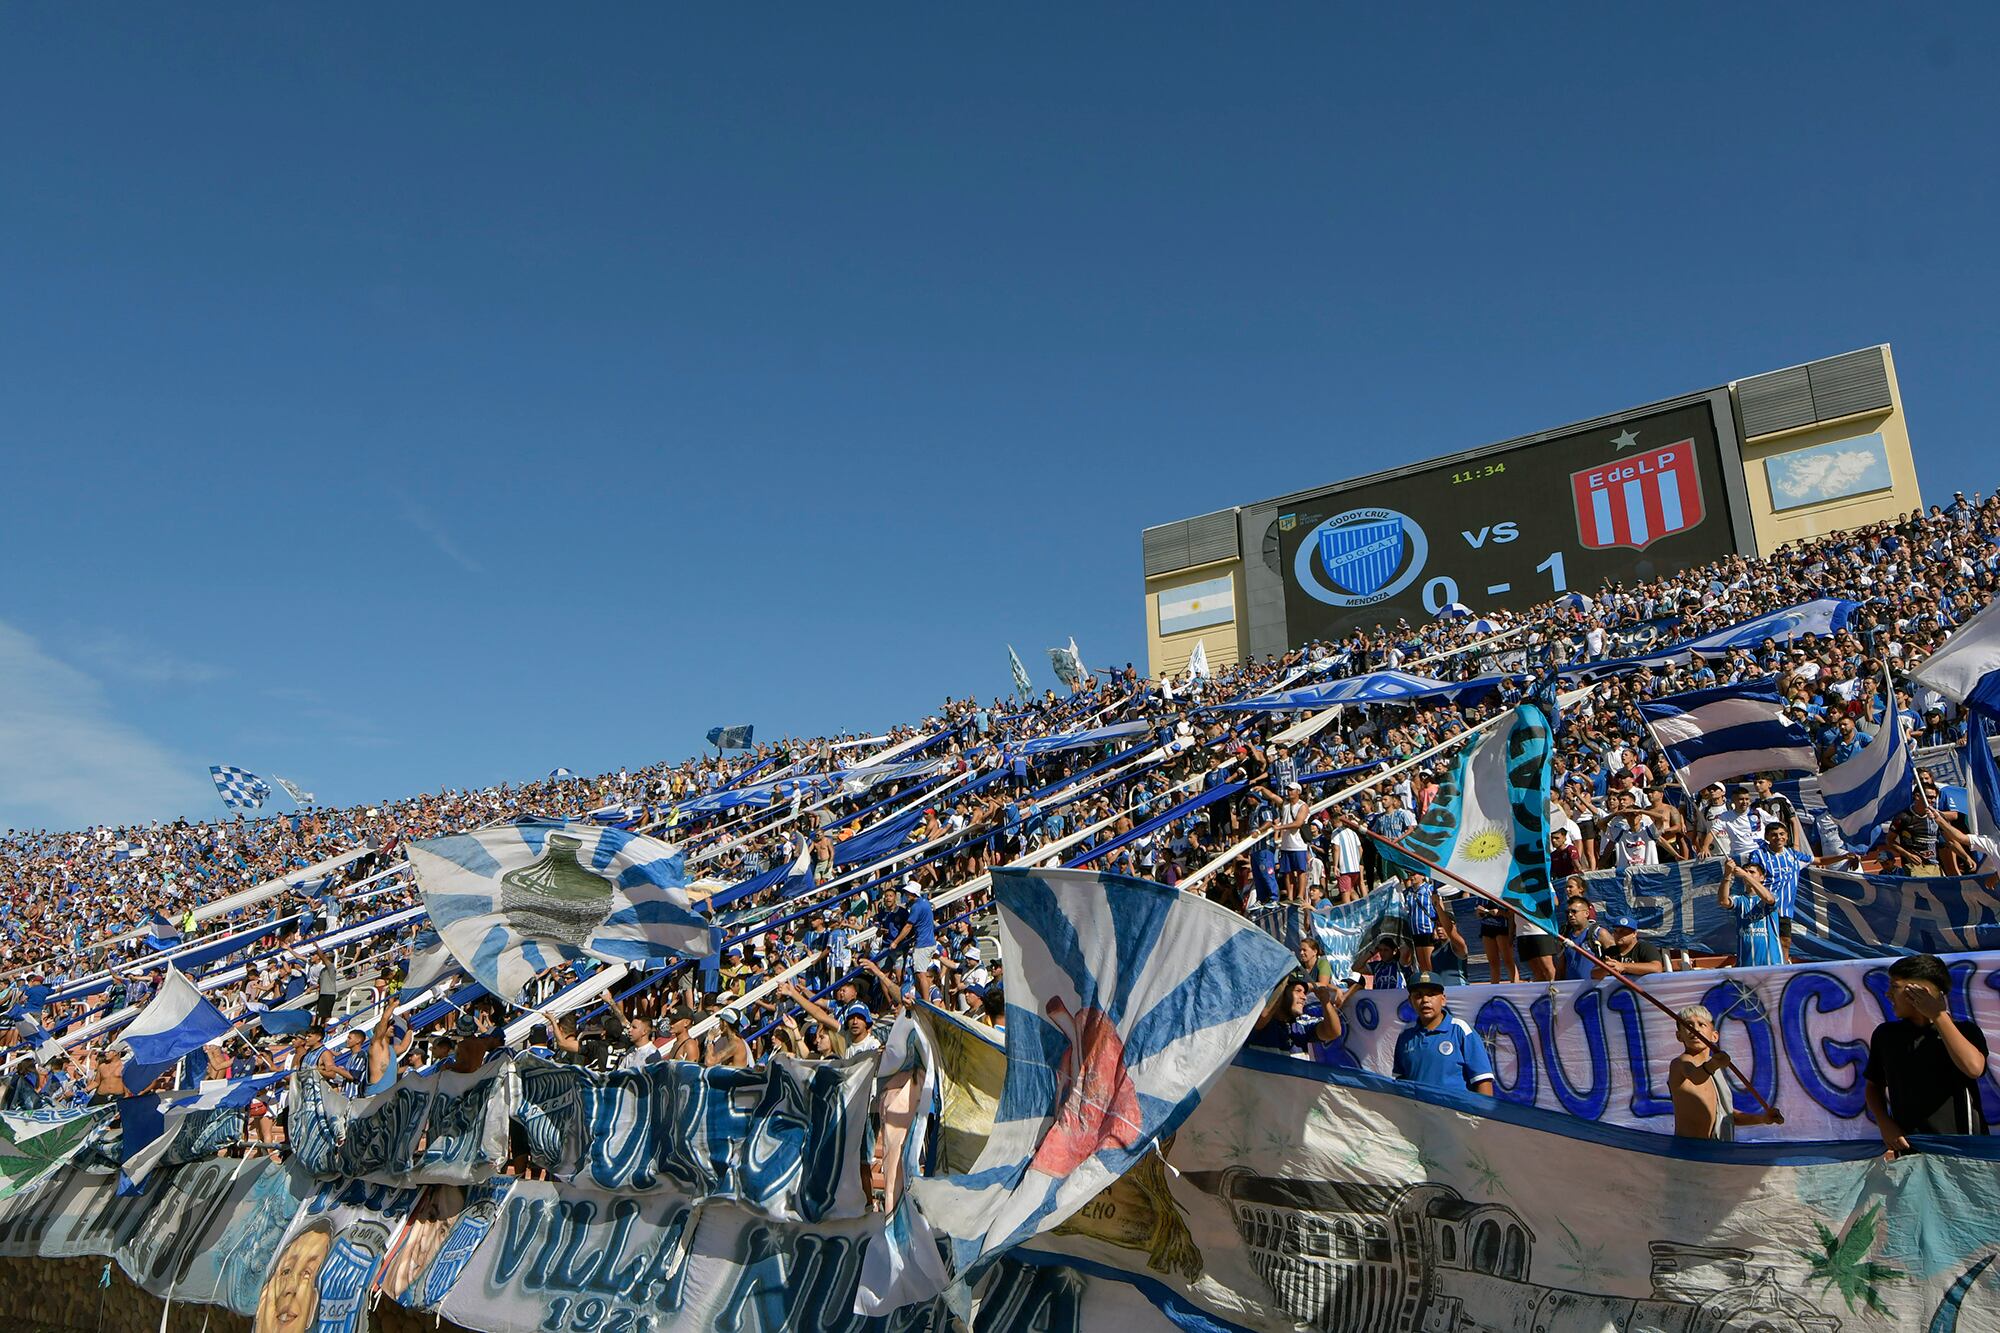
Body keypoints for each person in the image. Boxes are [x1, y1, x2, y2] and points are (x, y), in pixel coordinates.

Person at [1863, 953, 1989, 1158]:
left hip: (1963, 1150)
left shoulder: (1965, 1031)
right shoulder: (1886, 1035)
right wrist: (1885, 1123)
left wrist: (1938, 1015)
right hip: (1911, 1148)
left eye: (1894, 987)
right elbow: (1873, 1086)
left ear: (1922, 992)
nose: (1887, 994)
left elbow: (1973, 1068)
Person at [1668, 1004, 1782, 1140]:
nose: (1695, 1029)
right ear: (1679, 1035)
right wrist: (1714, 1064)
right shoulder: (1680, 1063)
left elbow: (1728, 1116)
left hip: (1717, 1153)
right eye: (1688, 1025)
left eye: (1701, 1024)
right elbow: (1696, 1077)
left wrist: (1763, 1119)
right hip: (1689, 1152)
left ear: (1714, 1036)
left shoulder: (1715, 1071)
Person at [1392, 972, 1494, 1096]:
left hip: (1455, 1113)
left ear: (1443, 999)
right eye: (1418, 995)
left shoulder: (1461, 1031)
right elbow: (1400, 1081)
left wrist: (1482, 1114)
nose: (1425, 1000)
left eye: (1431, 994)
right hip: (1418, 1112)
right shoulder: (1405, 1036)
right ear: (1410, 1001)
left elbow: (1483, 1080)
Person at [1718, 858, 1784, 968]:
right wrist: (1727, 873)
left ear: (1762, 877)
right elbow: (1723, 901)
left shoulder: (1773, 894)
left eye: (1752, 872)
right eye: (1746, 871)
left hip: (1772, 962)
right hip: (1745, 964)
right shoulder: (1739, 899)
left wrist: (1745, 875)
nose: (1748, 873)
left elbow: (1768, 899)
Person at [1594, 913, 1667, 978]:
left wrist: (1623, 966)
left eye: (1623, 932)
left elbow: (1656, 968)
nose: (1618, 935)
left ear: (1634, 934)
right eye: (1616, 931)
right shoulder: (1610, 952)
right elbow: (1593, 973)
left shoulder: (1644, 947)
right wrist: (1605, 969)